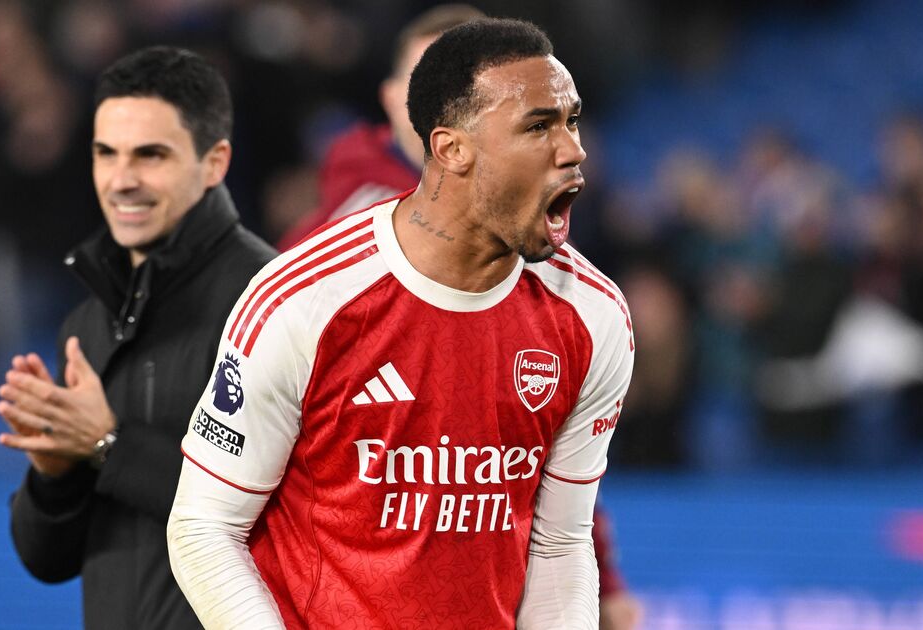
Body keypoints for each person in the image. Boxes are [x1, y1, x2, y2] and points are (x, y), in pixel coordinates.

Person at [168, 18, 635, 630]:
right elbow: (205, 525)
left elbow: (558, 543)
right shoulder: (304, 300)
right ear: (451, 149)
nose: (573, 150)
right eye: (537, 126)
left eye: (572, 122)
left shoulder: (593, 316)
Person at [0, 46, 275, 629]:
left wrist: (107, 445)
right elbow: (46, 561)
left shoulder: (272, 303)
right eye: (106, 154)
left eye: (151, 155)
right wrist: (55, 474)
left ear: (215, 162)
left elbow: (284, 516)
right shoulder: (87, 323)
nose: (121, 181)